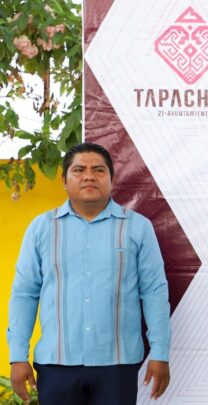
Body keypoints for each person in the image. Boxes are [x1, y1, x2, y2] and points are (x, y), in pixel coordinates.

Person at [7, 143, 171, 405]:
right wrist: (17, 356)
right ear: (64, 179)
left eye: (98, 170)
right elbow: (24, 294)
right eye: (79, 169)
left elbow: (154, 292)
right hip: (56, 364)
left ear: (112, 179)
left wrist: (160, 352)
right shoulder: (41, 228)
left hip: (118, 365)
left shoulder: (138, 228)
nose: (89, 176)